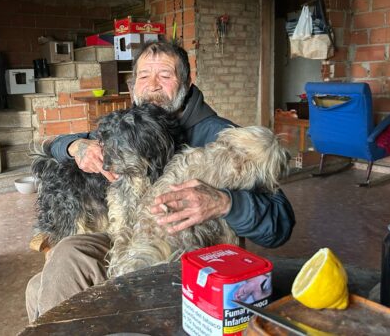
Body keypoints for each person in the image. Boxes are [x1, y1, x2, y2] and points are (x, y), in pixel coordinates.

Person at [25, 41, 295, 321]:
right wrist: (75, 147)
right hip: (127, 240)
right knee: (41, 283)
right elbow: (53, 146)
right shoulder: (131, 126)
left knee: (64, 264)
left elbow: (280, 225)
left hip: (183, 252)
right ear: (132, 86)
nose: (152, 85)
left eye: (165, 76)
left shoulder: (222, 138)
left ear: (187, 83)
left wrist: (225, 203)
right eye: (144, 76)